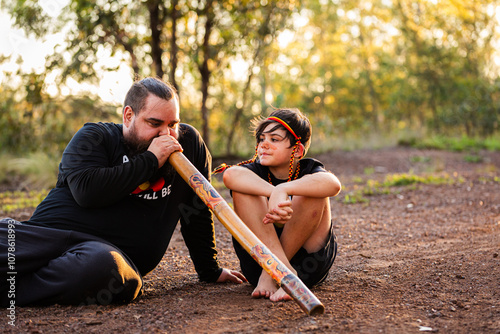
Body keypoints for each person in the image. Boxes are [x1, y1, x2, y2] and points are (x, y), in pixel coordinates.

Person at [0, 77, 245, 307]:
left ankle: (11, 289)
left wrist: (209, 269)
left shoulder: (189, 145)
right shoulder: (95, 137)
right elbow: (88, 193)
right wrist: (151, 159)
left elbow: (197, 209)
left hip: (106, 256)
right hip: (44, 237)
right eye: (154, 123)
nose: (166, 134)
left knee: (105, 268)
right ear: (129, 115)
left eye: (173, 124)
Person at [217, 108, 341, 302]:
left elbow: (333, 184)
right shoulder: (254, 171)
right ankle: (282, 270)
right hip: (258, 264)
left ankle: (273, 273)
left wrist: (284, 190)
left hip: (307, 263)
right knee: (243, 189)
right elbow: (230, 174)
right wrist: (273, 192)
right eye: (261, 138)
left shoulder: (308, 168)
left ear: (297, 150)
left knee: (313, 188)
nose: (264, 144)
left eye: (274, 139)